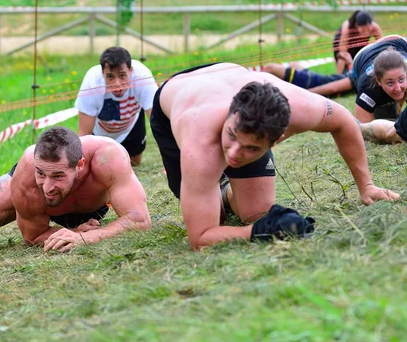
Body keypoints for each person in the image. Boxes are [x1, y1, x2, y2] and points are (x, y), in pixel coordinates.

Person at [150, 62, 399, 250]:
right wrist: (260, 232)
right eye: (232, 136)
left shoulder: (299, 108)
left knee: (255, 213)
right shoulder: (199, 143)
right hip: (178, 96)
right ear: (231, 114)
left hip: (234, 78)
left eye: (252, 148)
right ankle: (220, 187)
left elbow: (343, 121)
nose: (234, 154)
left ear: (278, 139)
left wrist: (366, 186)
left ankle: (226, 191)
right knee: (217, 219)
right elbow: (200, 238)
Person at [0, 127, 151, 253]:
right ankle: (23, 205)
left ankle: (27, 205)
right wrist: (73, 232)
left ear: (80, 165)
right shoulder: (28, 170)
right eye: (42, 174)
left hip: (91, 207)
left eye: (58, 176)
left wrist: (86, 237)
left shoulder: (107, 156)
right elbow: (32, 237)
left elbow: (140, 219)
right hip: (35, 197)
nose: (47, 187)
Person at [75, 47, 158, 166]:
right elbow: (84, 135)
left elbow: (157, 123)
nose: (117, 84)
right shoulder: (92, 83)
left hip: (131, 123)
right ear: (102, 73)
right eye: (110, 77)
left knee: (134, 164)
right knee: (99, 166)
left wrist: (170, 161)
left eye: (122, 75)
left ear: (131, 71)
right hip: (100, 130)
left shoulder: (142, 76)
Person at [352, 36, 407, 123]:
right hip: (362, 56)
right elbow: (362, 130)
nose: (398, 88)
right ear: (378, 81)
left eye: (401, 80)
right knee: (387, 120)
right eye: (390, 83)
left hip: (397, 42)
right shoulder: (368, 87)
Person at [263, 51, 355, 97]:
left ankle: (253, 90)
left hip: (315, 82)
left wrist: (303, 94)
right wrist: (350, 63)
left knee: (270, 68)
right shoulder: (358, 73)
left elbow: (332, 88)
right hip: (318, 78)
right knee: (294, 65)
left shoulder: (356, 79)